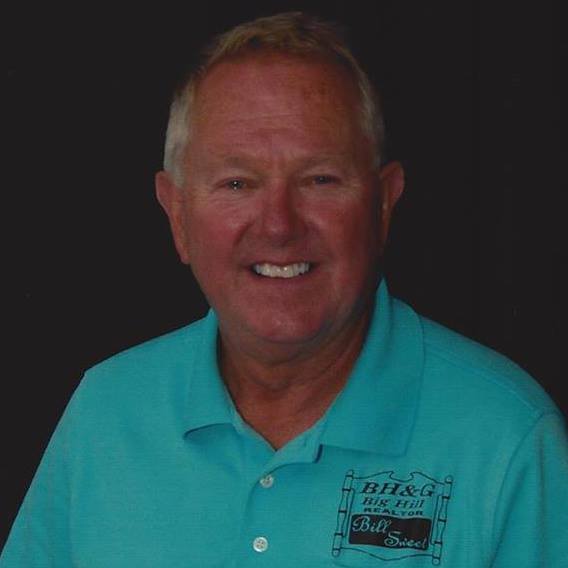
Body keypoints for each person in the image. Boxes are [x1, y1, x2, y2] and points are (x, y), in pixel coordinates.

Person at [1, 12, 567, 567]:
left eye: (320, 179)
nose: (278, 225)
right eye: (237, 183)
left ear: (383, 204)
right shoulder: (106, 411)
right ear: (177, 215)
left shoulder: (507, 438)